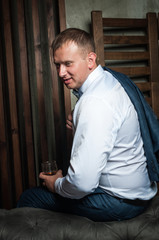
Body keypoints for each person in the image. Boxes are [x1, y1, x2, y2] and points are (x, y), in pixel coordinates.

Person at [17, 28, 158, 222]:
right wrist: (78, 116)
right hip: (138, 191)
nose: (61, 72)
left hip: (122, 202)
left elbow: (82, 184)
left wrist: (56, 183)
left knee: (30, 197)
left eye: (68, 64)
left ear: (90, 60)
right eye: (57, 65)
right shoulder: (111, 79)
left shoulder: (94, 102)